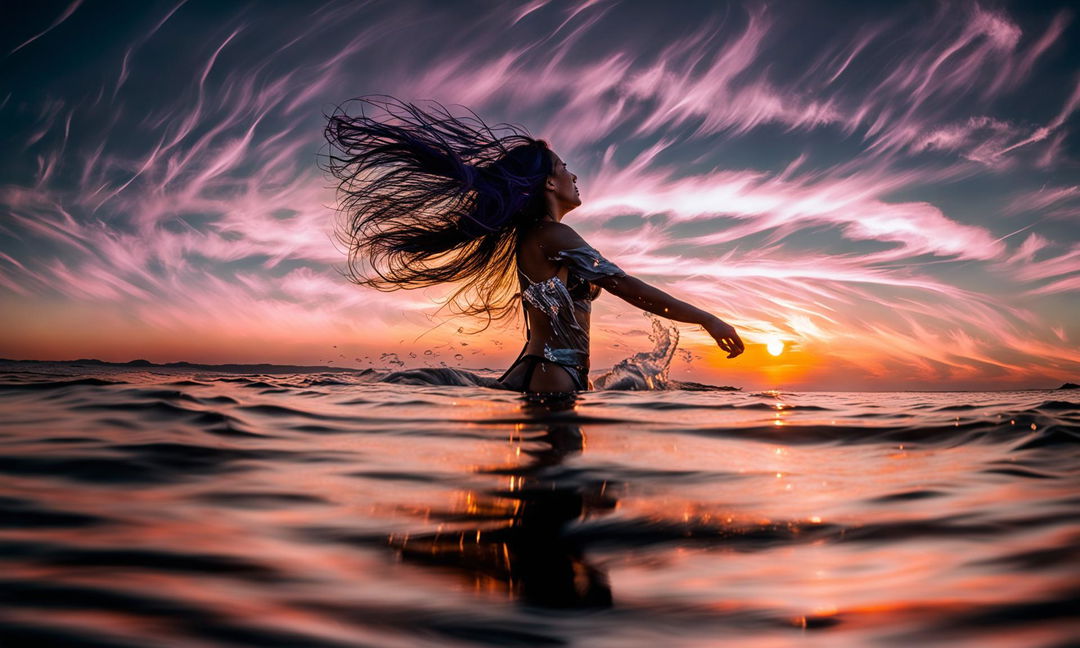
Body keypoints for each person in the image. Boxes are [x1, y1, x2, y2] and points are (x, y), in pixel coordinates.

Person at [323, 96, 743, 393]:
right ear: (548, 183)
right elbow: (626, 286)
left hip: (545, 371)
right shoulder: (551, 234)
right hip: (552, 374)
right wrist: (708, 319)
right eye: (564, 168)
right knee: (553, 503)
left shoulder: (542, 236)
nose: (574, 176)